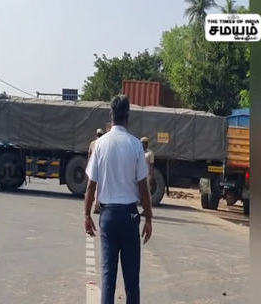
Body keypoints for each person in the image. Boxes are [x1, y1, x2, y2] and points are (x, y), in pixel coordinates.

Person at [84, 95, 153, 304]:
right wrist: (149, 218)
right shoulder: (135, 145)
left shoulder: (100, 145)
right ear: (128, 116)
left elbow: (90, 185)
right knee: (132, 280)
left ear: (111, 116)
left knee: (108, 277)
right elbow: (143, 188)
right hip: (130, 216)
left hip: (108, 216)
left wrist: (87, 215)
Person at [88, 128, 105, 214]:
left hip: (92, 167)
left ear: (96, 134)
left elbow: (89, 155)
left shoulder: (92, 143)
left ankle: (92, 206)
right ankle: (96, 206)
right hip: (100, 167)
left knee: (91, 187)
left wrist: (88, 167)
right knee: (99, 187)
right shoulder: (103, 143)